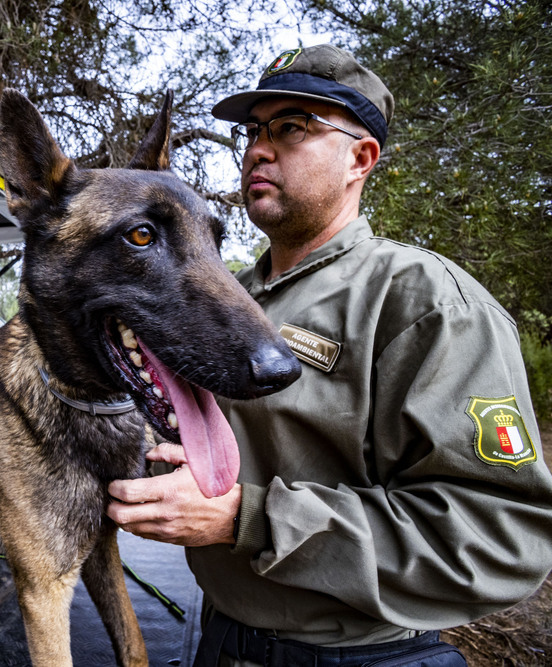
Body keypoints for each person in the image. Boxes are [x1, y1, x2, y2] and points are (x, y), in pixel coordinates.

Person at [107, 44, 552, 666]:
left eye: (292, 127)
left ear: (360, 158)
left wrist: (249, 520)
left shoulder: (425, 303)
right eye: (253, 130)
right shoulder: (230, 298)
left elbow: (499, 542)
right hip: (220, 641)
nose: (258, 149)